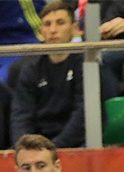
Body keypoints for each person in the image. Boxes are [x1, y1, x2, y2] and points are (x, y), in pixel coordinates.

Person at [10, 1, 85, 148]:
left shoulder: (85, 65)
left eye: (60, 23)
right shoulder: (30, 69)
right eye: (47, 24)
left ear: (75, 28)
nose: (53, 30)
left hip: (75, 144)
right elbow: (21, 115)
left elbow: (82, 115)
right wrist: (26, 146)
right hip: (37, 146)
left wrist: (54, 147)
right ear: (41, 31)